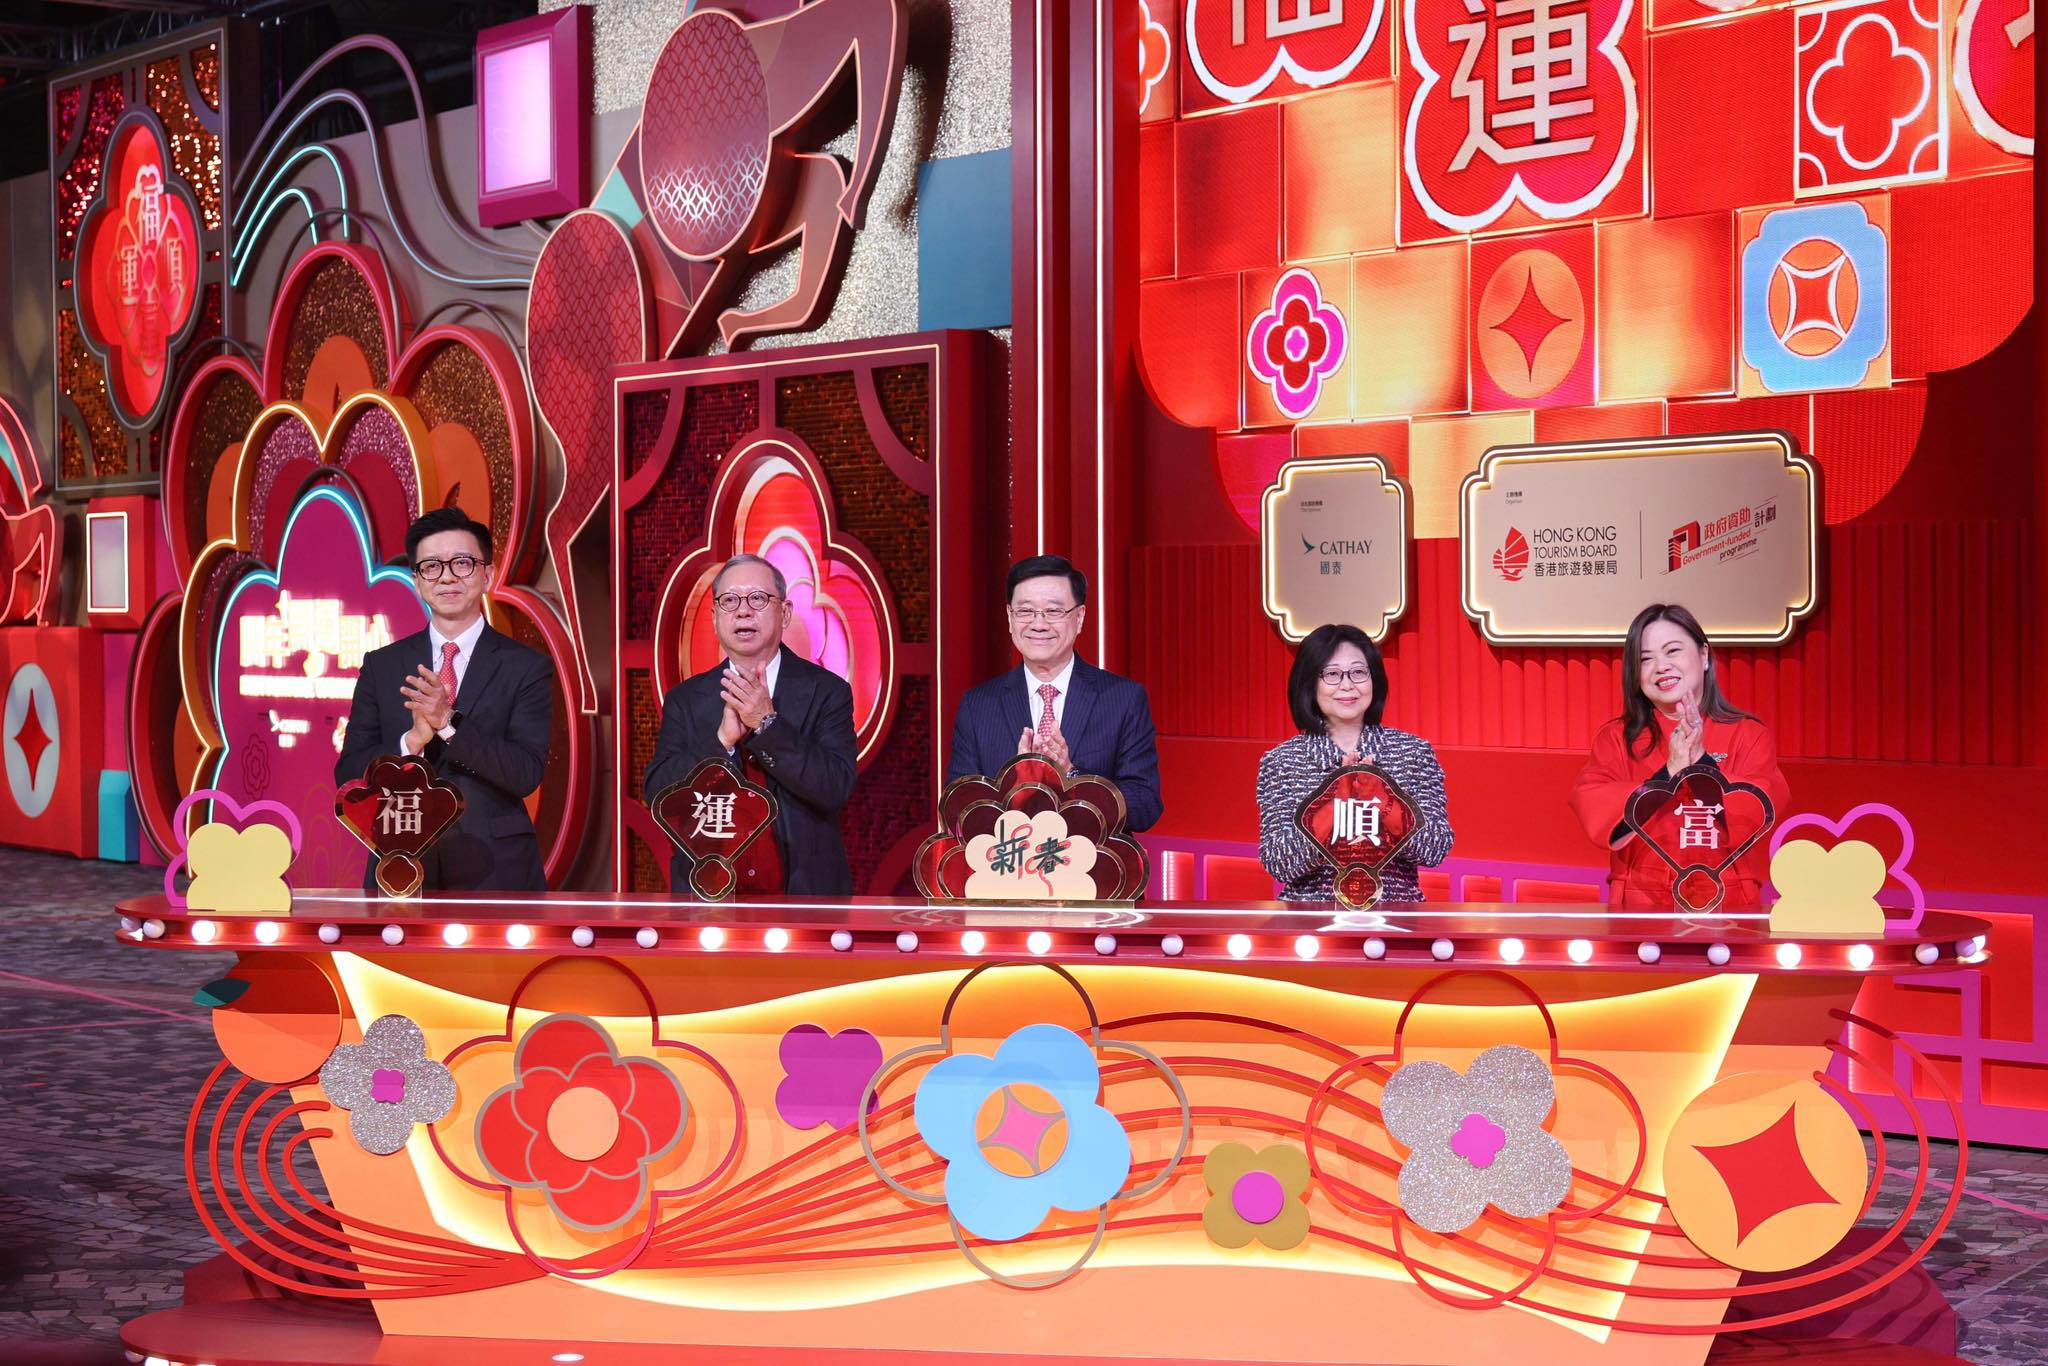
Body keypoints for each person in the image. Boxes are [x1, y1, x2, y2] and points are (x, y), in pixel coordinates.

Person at [338, 507, 554, 892]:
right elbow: (349, 772)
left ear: (487, 575)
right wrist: (410, 744)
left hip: (494, 869)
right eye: (432, 566)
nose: (447, 576)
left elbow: (525, 772)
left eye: (462, 563)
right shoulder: (382, 665)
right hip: (400, 863)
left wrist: (448, 723)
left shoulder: (526, 667)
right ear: (417, 580)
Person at [644, 554, 858, 895]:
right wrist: (720, 743)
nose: (743, 611)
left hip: (803, 896)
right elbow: (659, 795)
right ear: (714, 617)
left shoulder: (827, 692)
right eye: (729, 601)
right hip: (711, 896)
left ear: (785, 612)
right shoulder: (685, 699)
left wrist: (766, 724)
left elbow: (835, 787)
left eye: (757, 598)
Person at [1570, 602, 1790, 908]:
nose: (1661, 666)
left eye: (1672, 651)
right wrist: (1668, 773)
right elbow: (1597, 811)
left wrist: (1702, 764)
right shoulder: (1616, 738)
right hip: (1640, 901)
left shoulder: (1748, 734)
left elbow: (1755, 815)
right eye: (1645, 659)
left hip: (1728, 900)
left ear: (1704, 655)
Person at [946, 554, 1162, 832]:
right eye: (1025, 611)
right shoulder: (978, 706)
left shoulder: (1123, 699)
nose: (1039, 624)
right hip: (1009, 859)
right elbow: (958, 809)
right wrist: (1015, 784)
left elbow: (1145, 807)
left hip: (1092, 860)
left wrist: (1070, 776)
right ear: (1010, 618)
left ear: (1079, 617)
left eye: (1053, 611)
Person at [1255, 624, 1452, 902]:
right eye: (1332, 674)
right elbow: (1279, 863)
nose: (1347, 685)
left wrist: (1386, 804)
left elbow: (1435, 849)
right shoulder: (1282, 761)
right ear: (1310, 683)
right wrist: (1334, 806)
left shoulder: (1413, 752)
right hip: (1309, 918)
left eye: (1358, 672)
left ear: (1374, 680)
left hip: (1396, 914)